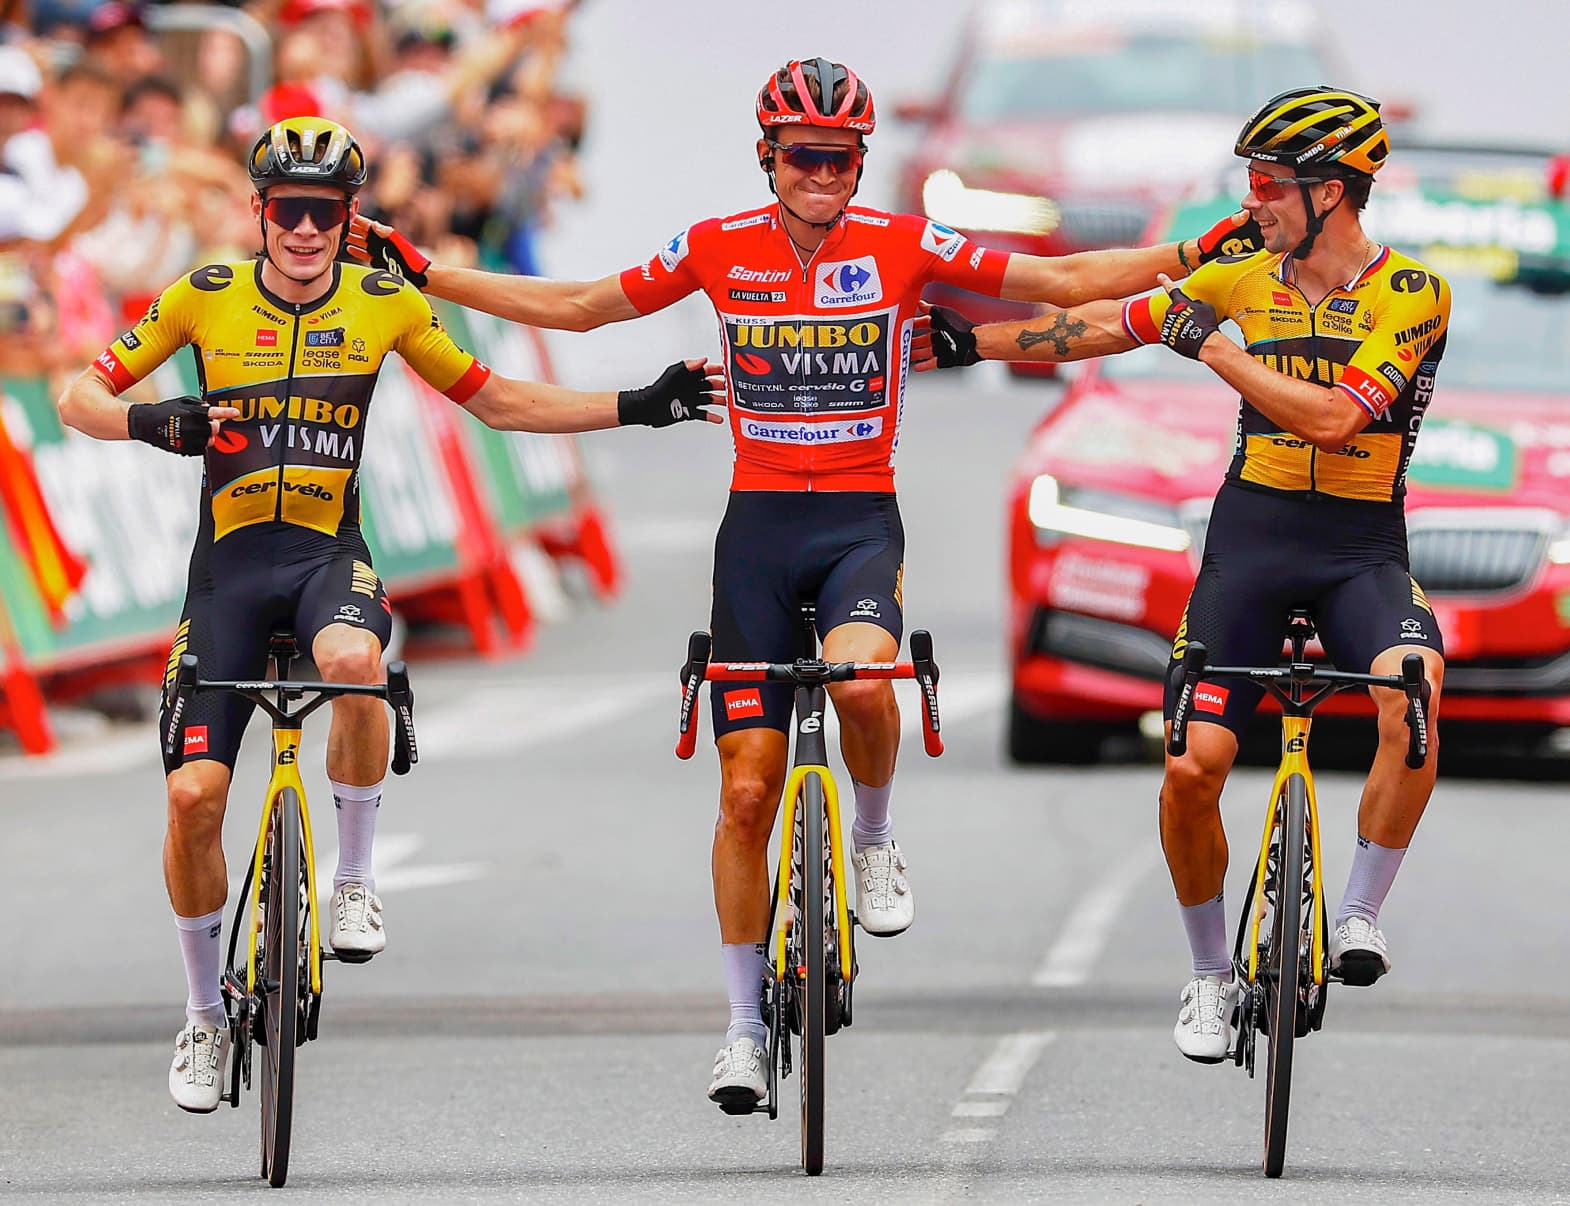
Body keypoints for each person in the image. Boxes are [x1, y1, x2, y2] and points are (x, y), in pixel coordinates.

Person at [346, 57, 1261, 1109]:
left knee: (864, 682)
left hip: (857, 525)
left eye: (842, 158)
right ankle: (740, 1027)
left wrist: (1190, 255)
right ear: (768, 157)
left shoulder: (901, 243)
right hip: (759, 533)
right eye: (804, 156)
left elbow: (1054, 286)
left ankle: (872, 840)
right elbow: (584, 306)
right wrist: (426, 273)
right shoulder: (719, 245)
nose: (824, 174)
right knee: (745, 795)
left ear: (862, 161)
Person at [56, 116, 723, 1114]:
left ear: (348, 218)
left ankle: (355, 879)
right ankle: (201, 1015)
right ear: (259, 213)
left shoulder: (382, 302)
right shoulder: (204, 297)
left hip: (328, 558)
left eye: (326, 214)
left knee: (355, 660)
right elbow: (74, 395)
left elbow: (497, 403)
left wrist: (637, 403)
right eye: (289, 212)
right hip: (227, 576)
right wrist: (151, 420)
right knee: (194, 798)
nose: (306, 232)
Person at [918, 87, 1448, 1063]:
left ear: (1333, 191)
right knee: (1188, 767)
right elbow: (1103, 326)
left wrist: (1212, 350)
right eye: (1247, 182)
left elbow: (1335, 420)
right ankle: (1208, 973)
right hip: (1250, 545)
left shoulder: (1409, 293)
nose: (1251, 203)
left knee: (1410, 693)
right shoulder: (1241, 275)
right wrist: (968, 343)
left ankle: (1361, 915)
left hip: (1361, 553)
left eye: (1270, 185)